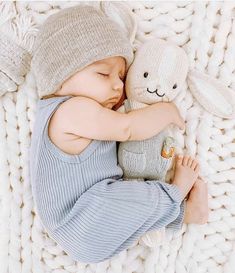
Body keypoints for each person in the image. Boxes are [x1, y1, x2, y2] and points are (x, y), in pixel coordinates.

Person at [29, 5, 208, 263]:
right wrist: (166, 111)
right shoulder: (71, 109)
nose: (117, 84)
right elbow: (127, 127)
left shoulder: (74, 112)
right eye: (103, 73)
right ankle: (177, 193)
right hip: (80, 221)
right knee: (129, 198)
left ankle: (184, 214)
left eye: (122, 76)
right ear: (60, 77)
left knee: (129, 202)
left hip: (94, 223)